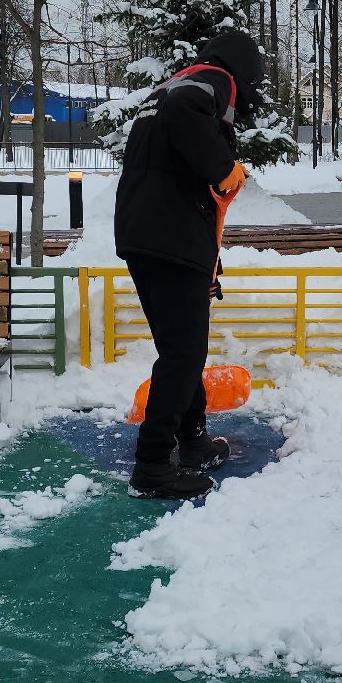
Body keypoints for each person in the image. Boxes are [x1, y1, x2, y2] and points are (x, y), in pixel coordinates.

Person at [114, 30, 261, 498]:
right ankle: (152, 464)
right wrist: (223, 167)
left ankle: (192, 440)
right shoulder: (211, 80)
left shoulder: (173, 85)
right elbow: (187, 122)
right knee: (183, 354)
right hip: (170, 236)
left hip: (145, 234)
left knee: (181, 350)